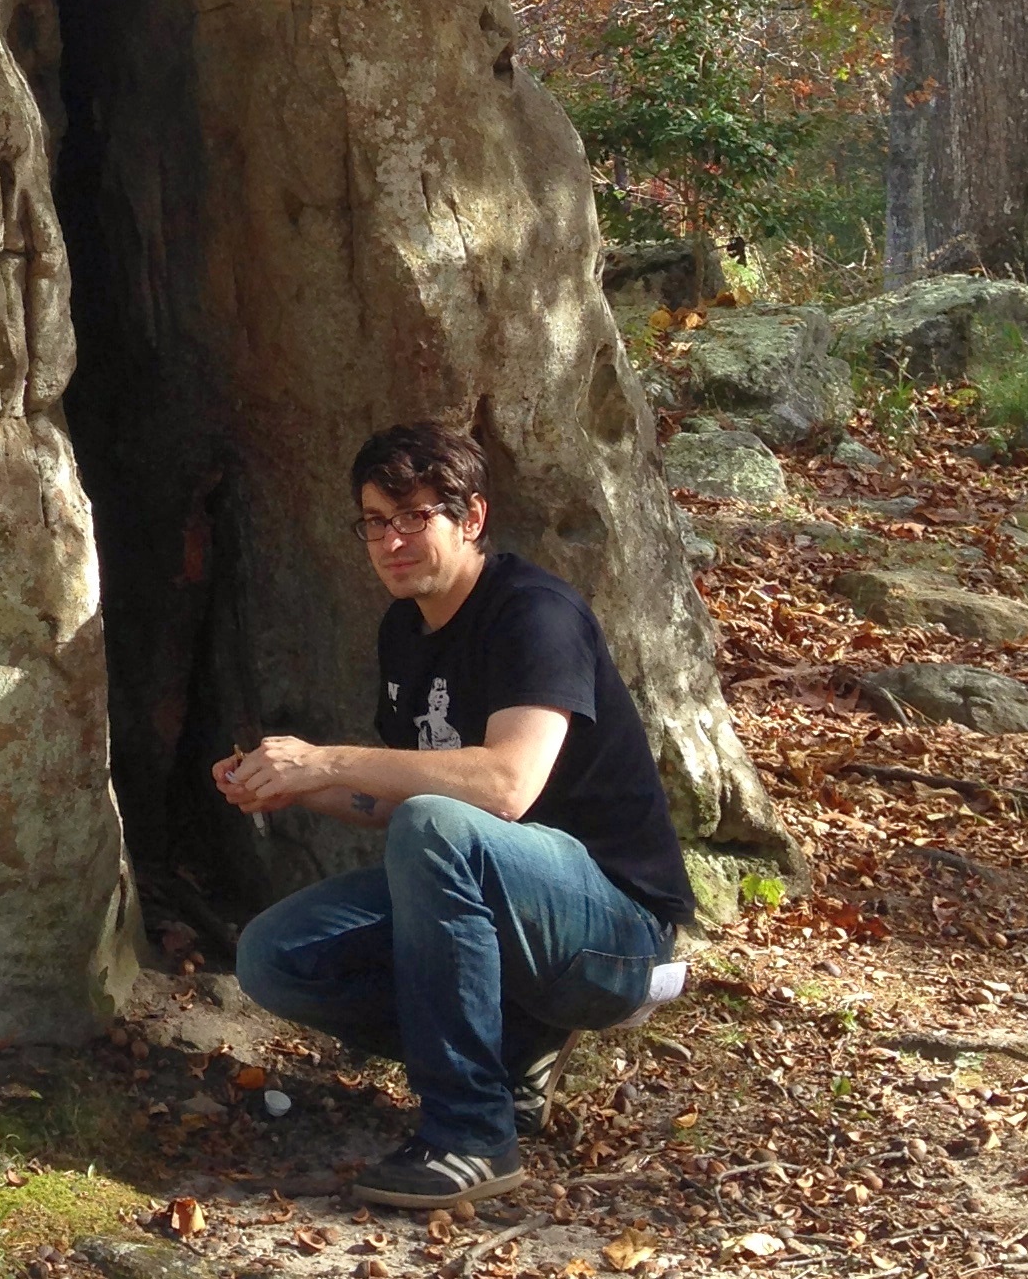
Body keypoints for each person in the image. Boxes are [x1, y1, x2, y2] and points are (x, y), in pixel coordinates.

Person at [217, 421, 694, 1212]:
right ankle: (511, 1049)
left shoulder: (534, 613)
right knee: (275, 956)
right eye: (375, 521)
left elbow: (505, 786)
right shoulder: (405, 630)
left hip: (614, 932)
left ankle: (471, 1133)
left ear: (471, 517)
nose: (391, 541)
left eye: (414, 517)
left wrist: (328, 759)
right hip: (500, 901)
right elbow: (401, 800)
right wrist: (290, 787)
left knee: (438, 827)